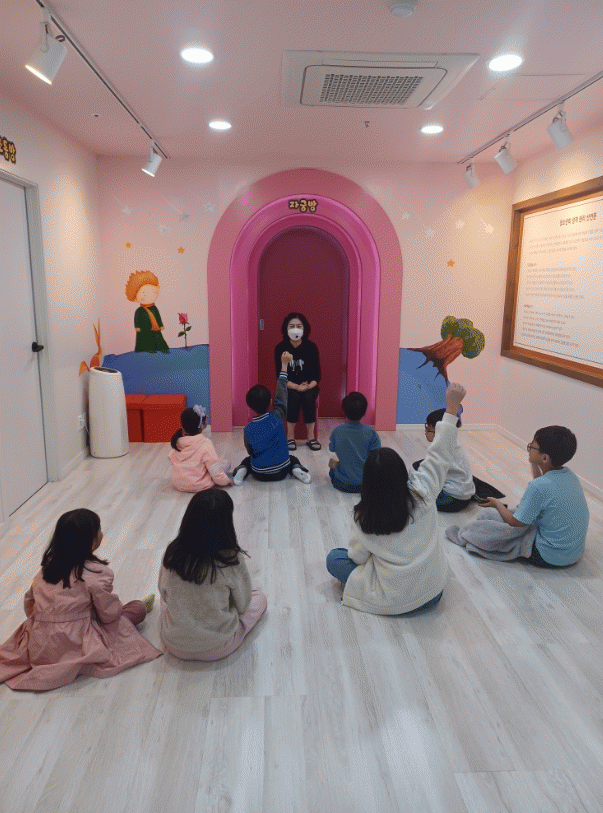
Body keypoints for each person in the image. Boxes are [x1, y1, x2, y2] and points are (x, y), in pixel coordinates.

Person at [325, 382, 466, 615]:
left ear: (368, 482)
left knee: (334, 559)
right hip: (432, 593)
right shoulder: (423, 491)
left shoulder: (365, 516)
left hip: (392, 596)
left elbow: (357, 557)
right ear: (403, 473)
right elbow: (440, 454)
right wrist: (452, 408)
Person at [0, 509, 161, 691]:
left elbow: (29, 605)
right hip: (77, 641)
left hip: (41, 644)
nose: (102, 533)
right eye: (99, 529)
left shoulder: (45, 572)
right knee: (134, 610)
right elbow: (109, 615)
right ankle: (140, 607)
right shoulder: (96, 575)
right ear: (91, 541)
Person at [446, 426, 589, 566]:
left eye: (532, 447)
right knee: (493, 514)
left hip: (546, 555)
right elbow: (541, 485)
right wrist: (534, 463)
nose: (529, 448)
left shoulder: (538, 486)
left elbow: (515, 523)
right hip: (572, 553)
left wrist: (497, 504)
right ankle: (477, 529)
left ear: (545, 458)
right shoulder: (569, 476)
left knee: (503, 528)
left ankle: (464, 536)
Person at [158, 488, 267, 661]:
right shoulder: (231, 559)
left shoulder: (172, 552)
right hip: (218, 646)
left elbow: (164, 594)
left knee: (165, 604)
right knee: (259, 599)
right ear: (226, 523)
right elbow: (244, 605)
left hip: (174, 644)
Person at [231, 351, 311, 485]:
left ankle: (242, 470)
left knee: (247, 460)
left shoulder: (248, 429)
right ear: (270, 402)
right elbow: (281, 394)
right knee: (292, 459)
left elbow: (250, 451)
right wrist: (284, 365)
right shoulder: (277, 417)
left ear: (250, 406)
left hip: (259, 474)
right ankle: (296, 469)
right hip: (282, 471)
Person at [274, 312, 321, 450]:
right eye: (292, 326)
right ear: (286, 328)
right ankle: (290, 437)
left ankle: (311, 437)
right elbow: (280, 375)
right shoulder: (280, 348)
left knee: (308, 398)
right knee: (293, 398)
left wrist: (308, 386)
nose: (295, 329)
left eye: (299, 326)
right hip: (289, 385)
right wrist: (296, 386)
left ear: (304, 328)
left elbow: (317, 375)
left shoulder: (311, 347)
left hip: (309, 385)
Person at [413, 407, 475, 511]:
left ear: (440, 431)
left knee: (416, 498)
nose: (425, 432)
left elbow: (429, 474)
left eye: (429, 429)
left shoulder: (442, 448)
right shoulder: (452, 441)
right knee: (418, 465)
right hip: (463, 493)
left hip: (454, 499)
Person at [328, 392, 381, 493]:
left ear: (344, 411)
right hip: (365, 484)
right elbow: (376, 454)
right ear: (364, 412)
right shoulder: (371, 432)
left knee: (332, 469)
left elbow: (331, 448)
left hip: (342, 484)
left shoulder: (337, 431)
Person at [169, 407, 232, 492]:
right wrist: (227, 481)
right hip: (200, 485)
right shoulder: (205, 443)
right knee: (226, 463)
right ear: (202, 425)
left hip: (179, 484)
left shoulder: (177, 441)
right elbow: (215, 471)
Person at [125, 270, 170, 353]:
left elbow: (158, 317)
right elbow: (137, 319)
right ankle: (148, 349)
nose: (149, 295)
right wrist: (137, 327)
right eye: (144, 293)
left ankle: (162, 348)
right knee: (145, 341)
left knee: (158, 339)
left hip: (156, 329)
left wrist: (160, 325)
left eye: (153, 291)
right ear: (135, 297)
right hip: (144, 330)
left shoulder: (154, 308)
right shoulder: (139, 310)